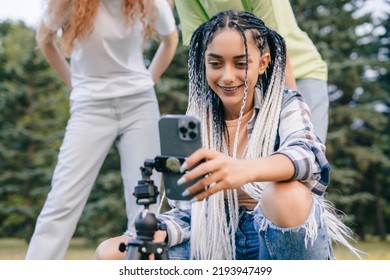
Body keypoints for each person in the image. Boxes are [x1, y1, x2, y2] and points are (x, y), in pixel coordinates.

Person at [94, 10, 360, 260]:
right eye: (216, 64)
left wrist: (243, 170)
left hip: (275, 238)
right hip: (216, 240)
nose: (227, 76)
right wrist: (163, 232)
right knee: (111, 253)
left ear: (263, 63)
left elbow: (309, 157)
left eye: (241, 63)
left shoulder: (284, 103)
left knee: (284, 195)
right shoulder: (195, 121)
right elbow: (188, 212)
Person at [26, 0, 178, 259]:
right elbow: (45, 40)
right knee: (62, 200)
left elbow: (170, 40)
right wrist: (75, 85)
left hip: (139, 105)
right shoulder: (67, 4)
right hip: (90, 106)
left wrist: (146, 82)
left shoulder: (149, 2)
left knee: (145, 203)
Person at [173, 0, 329, 143]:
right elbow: (200, 45)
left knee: (304, 151)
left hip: (298, 72)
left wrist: (292, 109)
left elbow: (279, 51)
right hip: (243, 75)